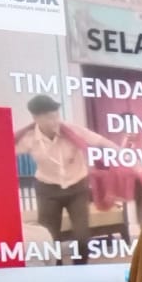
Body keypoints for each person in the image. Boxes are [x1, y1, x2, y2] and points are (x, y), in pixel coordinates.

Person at [14, 94, 115, 265]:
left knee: (82, 236)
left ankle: (80, 270)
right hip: (47, 189)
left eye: (56, 116)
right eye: (49, 118)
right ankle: (57, 271)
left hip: (77, 187)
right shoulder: (29, 137)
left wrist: (125, 155)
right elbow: (3, 151)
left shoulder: (72, 131)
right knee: (49, 237)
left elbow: (101, 141)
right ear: (36, 118)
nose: (55, 121)